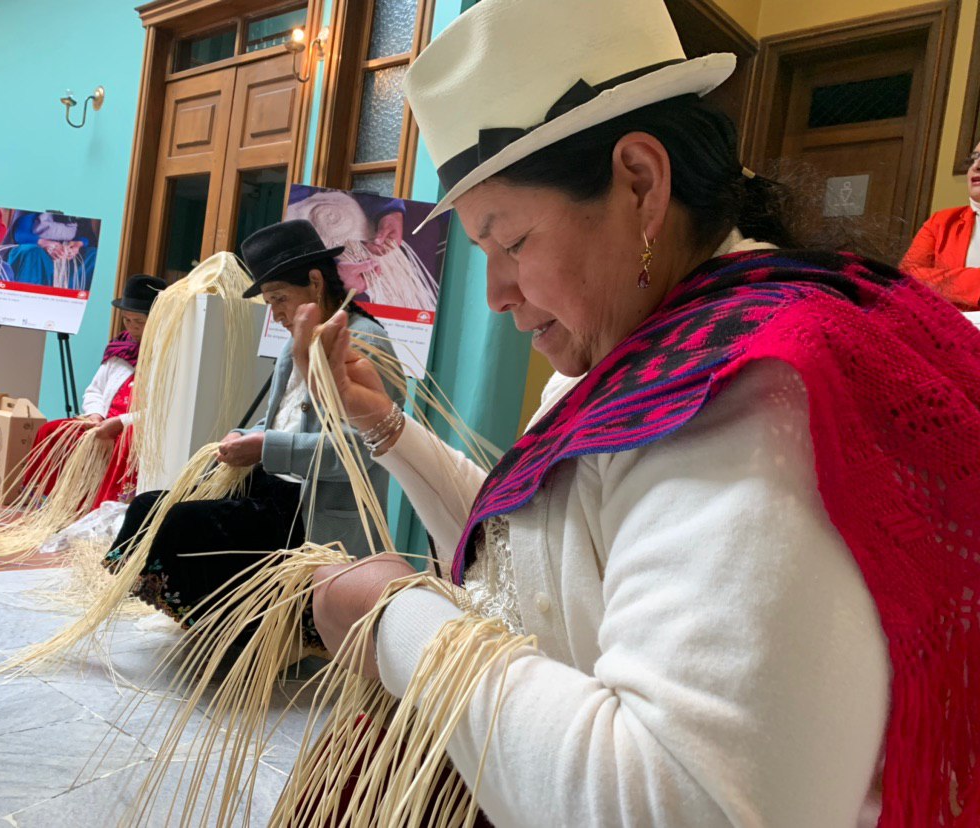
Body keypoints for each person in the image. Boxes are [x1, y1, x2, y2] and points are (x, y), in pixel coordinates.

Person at [290, 1, 980, 825]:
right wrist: (386, 426)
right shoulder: (644, 351)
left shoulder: (753, 397)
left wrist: (396, 620)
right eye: (481, 253)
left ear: (642, 184)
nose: (499, 295)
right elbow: (542, 566)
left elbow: (683, 800)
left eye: (510, 243)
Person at [105, 220, 402, 626]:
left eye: (279, 298)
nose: (275, 313)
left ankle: (232, 631)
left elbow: (361, 448)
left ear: (315, 282)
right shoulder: (292, 344)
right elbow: (277, 417)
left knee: (183, 525)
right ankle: (207, 624)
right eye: (269, 301)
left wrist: (265, 447)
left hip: (310, 511)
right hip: (270, 487)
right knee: (148, 507)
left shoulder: (365, 341)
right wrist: (243, 437)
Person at [23, 274, 165, 508]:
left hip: (133, 429)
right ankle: (50, 502)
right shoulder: (122, 349)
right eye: (127, 320)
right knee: (54, 431)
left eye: (138, 322)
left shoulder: (167, 356)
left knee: (125, 445)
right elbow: (94, 391)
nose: (132, 328)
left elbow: (162, 410)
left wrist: (121, 422)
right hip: (102, 423)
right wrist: (95, 415)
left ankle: (103, 508)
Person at [900, 143, 980, 310]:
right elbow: (907, 276)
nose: (976, 166)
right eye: (974, 158)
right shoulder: (941, 222)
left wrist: (942, 282)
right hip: (951, 329)